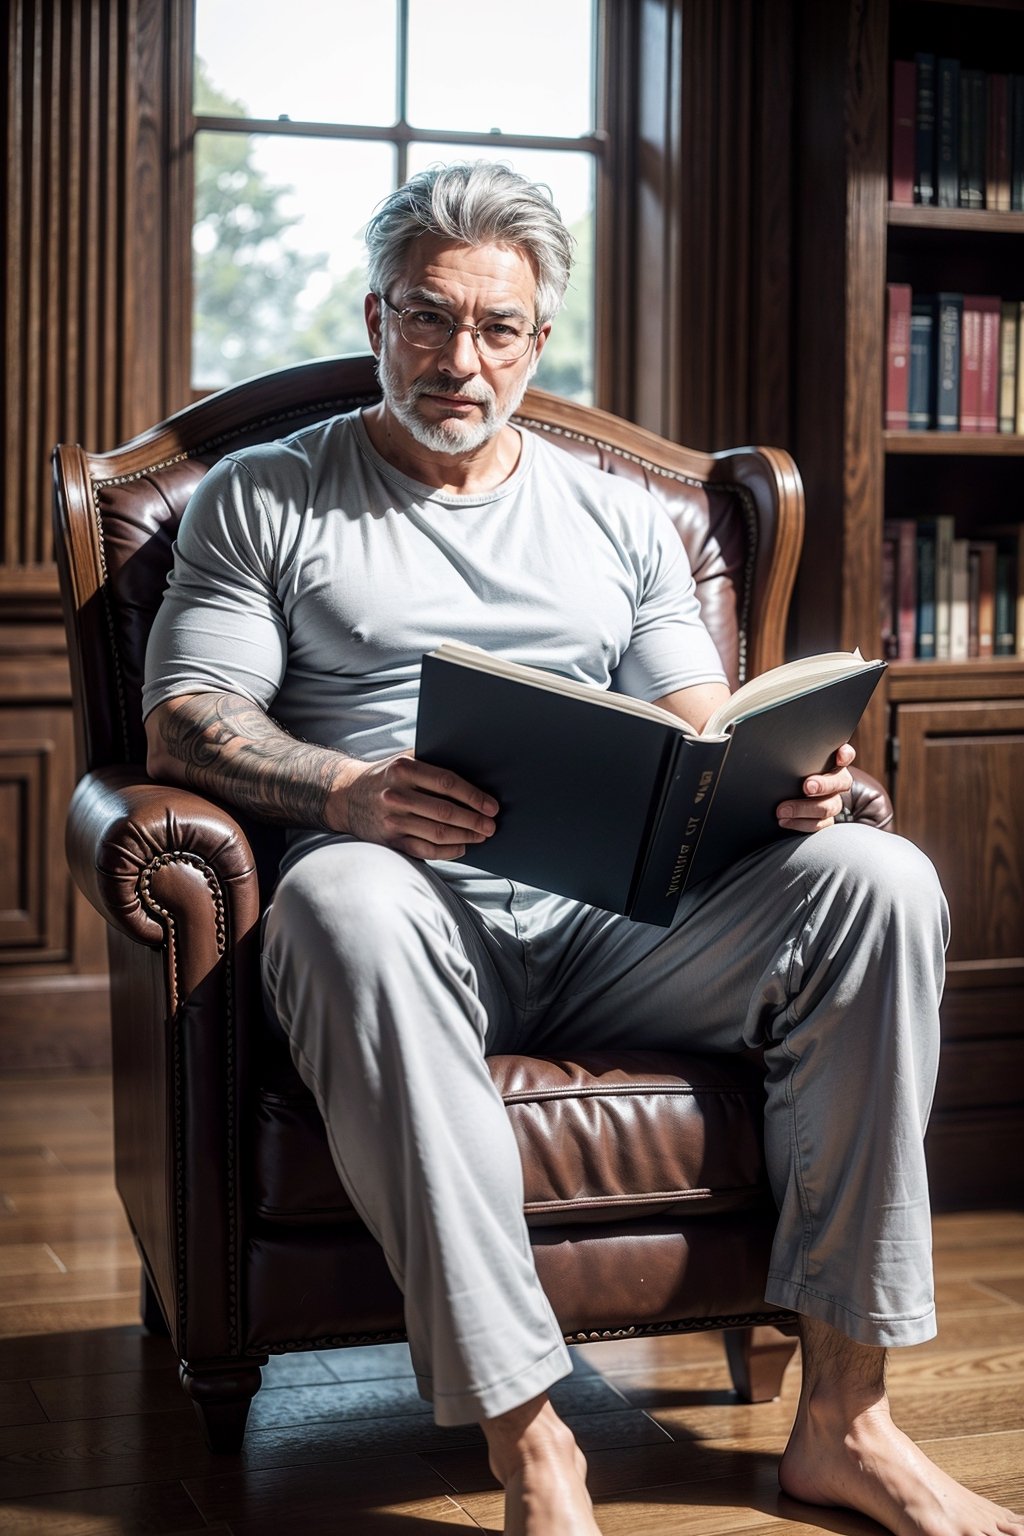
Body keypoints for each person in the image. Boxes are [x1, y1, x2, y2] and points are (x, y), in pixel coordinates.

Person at [142, 162, 1022, 1536]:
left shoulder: (619, 516)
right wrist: (346, 790)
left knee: (882, 883)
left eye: (497, 329)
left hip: (616, 927)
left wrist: (793, 787)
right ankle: (534, 1440)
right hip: (400, 918)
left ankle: (849, 1423)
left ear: (538, 340)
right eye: (430, 319)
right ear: (377, 316)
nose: (460, 359)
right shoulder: (269, 496)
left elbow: (701, 729)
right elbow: (188, 721)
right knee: (348, 906)